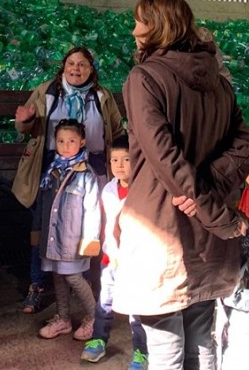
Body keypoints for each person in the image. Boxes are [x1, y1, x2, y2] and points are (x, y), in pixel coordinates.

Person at [114, 0, 249, 370]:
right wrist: (212, 194)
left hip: (163, 231)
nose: (133, 31)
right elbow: (244, 146)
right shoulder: (219, 82)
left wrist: (205, 202)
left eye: (140, 22)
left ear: (158, 27)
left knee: (166, 354)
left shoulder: (144, 79)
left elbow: (165, 158)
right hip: (208, 239)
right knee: (201, 344)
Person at [13, 46, 124, 313]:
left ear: (91, 69)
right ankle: (37, 285)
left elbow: (117, 129)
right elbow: (26, 126)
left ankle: (87, 284)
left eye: (83, 65)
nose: (76, 69)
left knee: (89, 225)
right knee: (43, 228)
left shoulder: (102, 96)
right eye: (71, 64)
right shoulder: (47, 91)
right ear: (63, 66)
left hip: (91, 171)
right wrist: (24, 122)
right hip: (52, 170)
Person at [80, 135, 148, 370]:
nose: (119, 165)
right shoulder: (108, 189)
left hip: (137, 262)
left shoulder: (144, 191)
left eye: (126, 159)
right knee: (105, 302)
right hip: (111, 259)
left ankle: (141, 352)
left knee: (137, 309)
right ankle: (99, 339)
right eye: (114, 160)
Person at [35, 119, 102, 341]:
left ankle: (95, 318)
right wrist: (38, 232)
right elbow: (43, 206)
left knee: (73, 277)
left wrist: (90, 240)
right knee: (58, 276)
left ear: (82, 142)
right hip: (53, 238)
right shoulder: (52, 171)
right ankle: (63, 319)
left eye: (71, 141)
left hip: (73, 240)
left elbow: (92, 209)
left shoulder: (86, 174)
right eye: (61, 140)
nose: (65, 145)